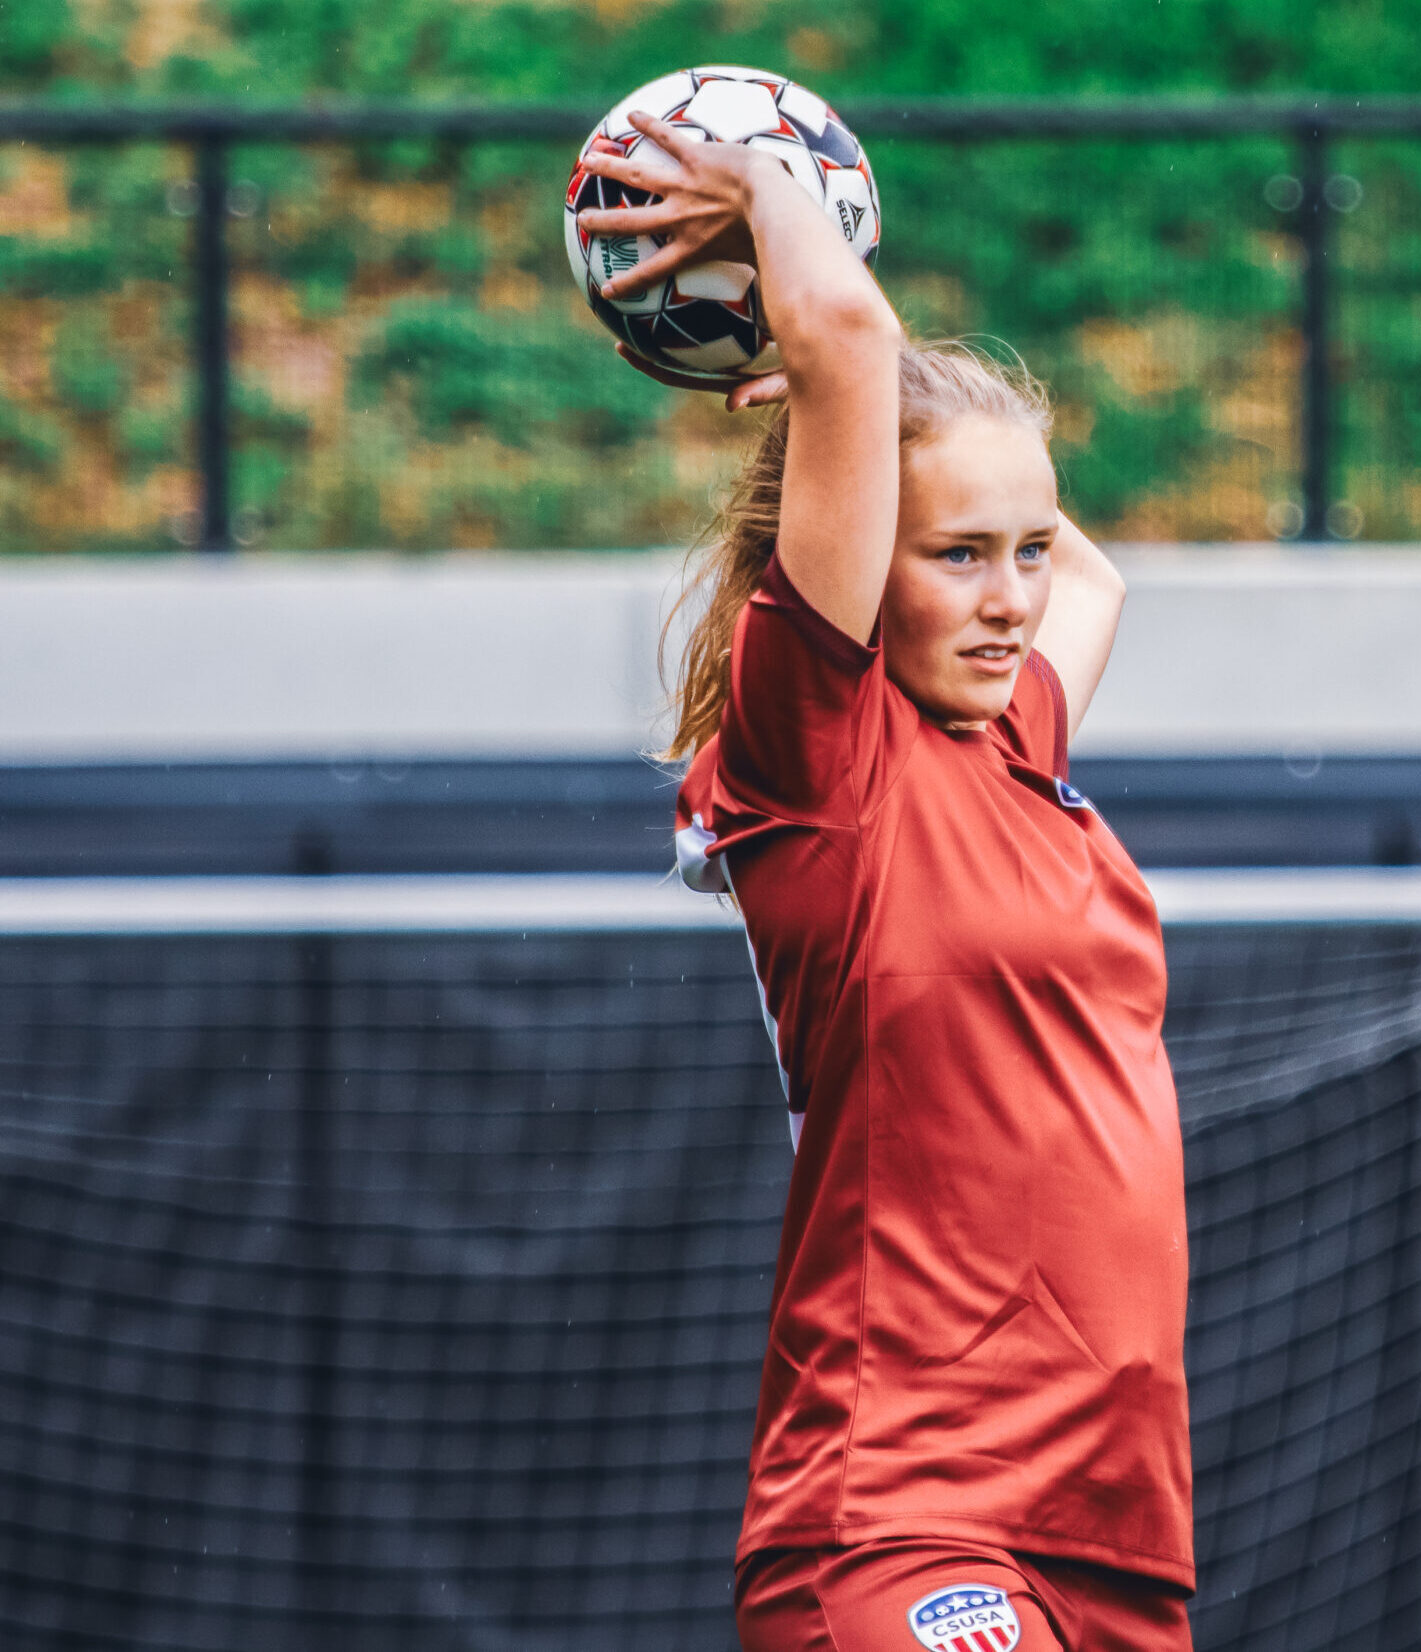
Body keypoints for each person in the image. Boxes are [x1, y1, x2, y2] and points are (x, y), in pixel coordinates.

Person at [577, 112, 1193, 1652]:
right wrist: (772, 213)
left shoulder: (1020, 739)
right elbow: (850, 335)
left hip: (1118, 1525)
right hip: (909, 1511)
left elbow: (1093, 578)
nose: (1009, 603)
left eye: (1023, 551)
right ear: (854, 560)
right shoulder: (824, 763)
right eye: (952, 556)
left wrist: (915, 423)